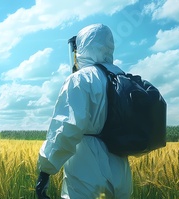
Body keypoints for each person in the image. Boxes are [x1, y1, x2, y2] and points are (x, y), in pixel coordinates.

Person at [35, 24, 132, 198]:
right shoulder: (123, 78)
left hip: (86, 169)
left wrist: (46, 170)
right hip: (121, 171)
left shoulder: (80, 79)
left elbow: (66, 129)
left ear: (84, 47)